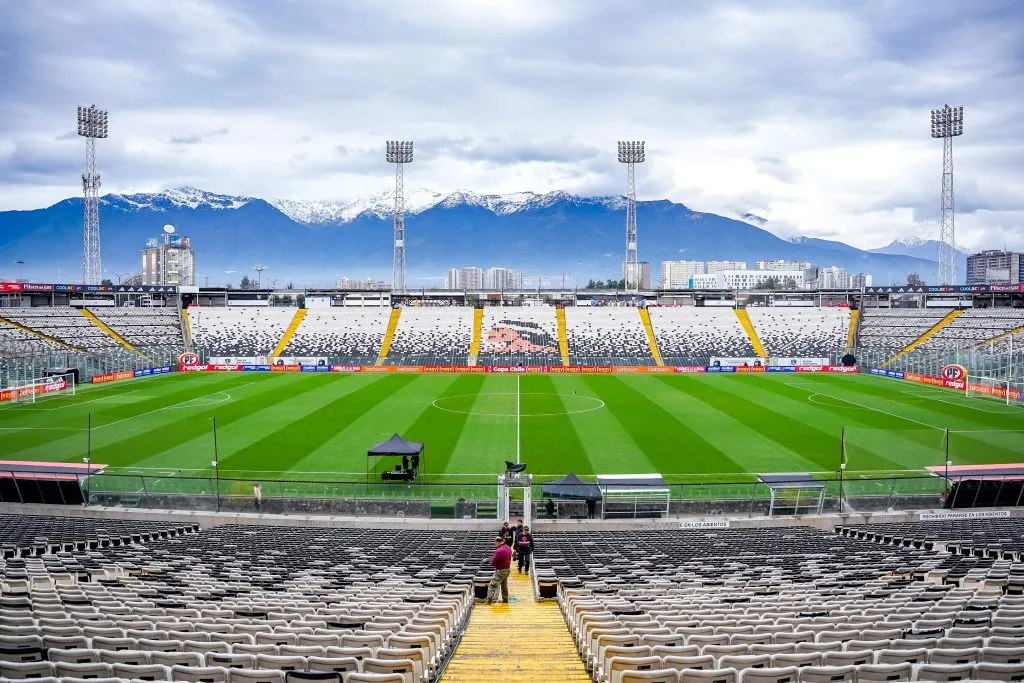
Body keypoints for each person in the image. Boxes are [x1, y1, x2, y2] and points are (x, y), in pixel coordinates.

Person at [486, 535, 512, 604]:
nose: (495, 544)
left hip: (501, 571)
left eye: (495, 543)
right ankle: (505, 600)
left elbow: (494, 562)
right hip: (507, 570)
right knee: (504, 585)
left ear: (498, 542)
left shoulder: (499, 551)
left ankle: (489, 600)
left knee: (492, 585)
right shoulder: (508, 548)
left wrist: (489, 561)